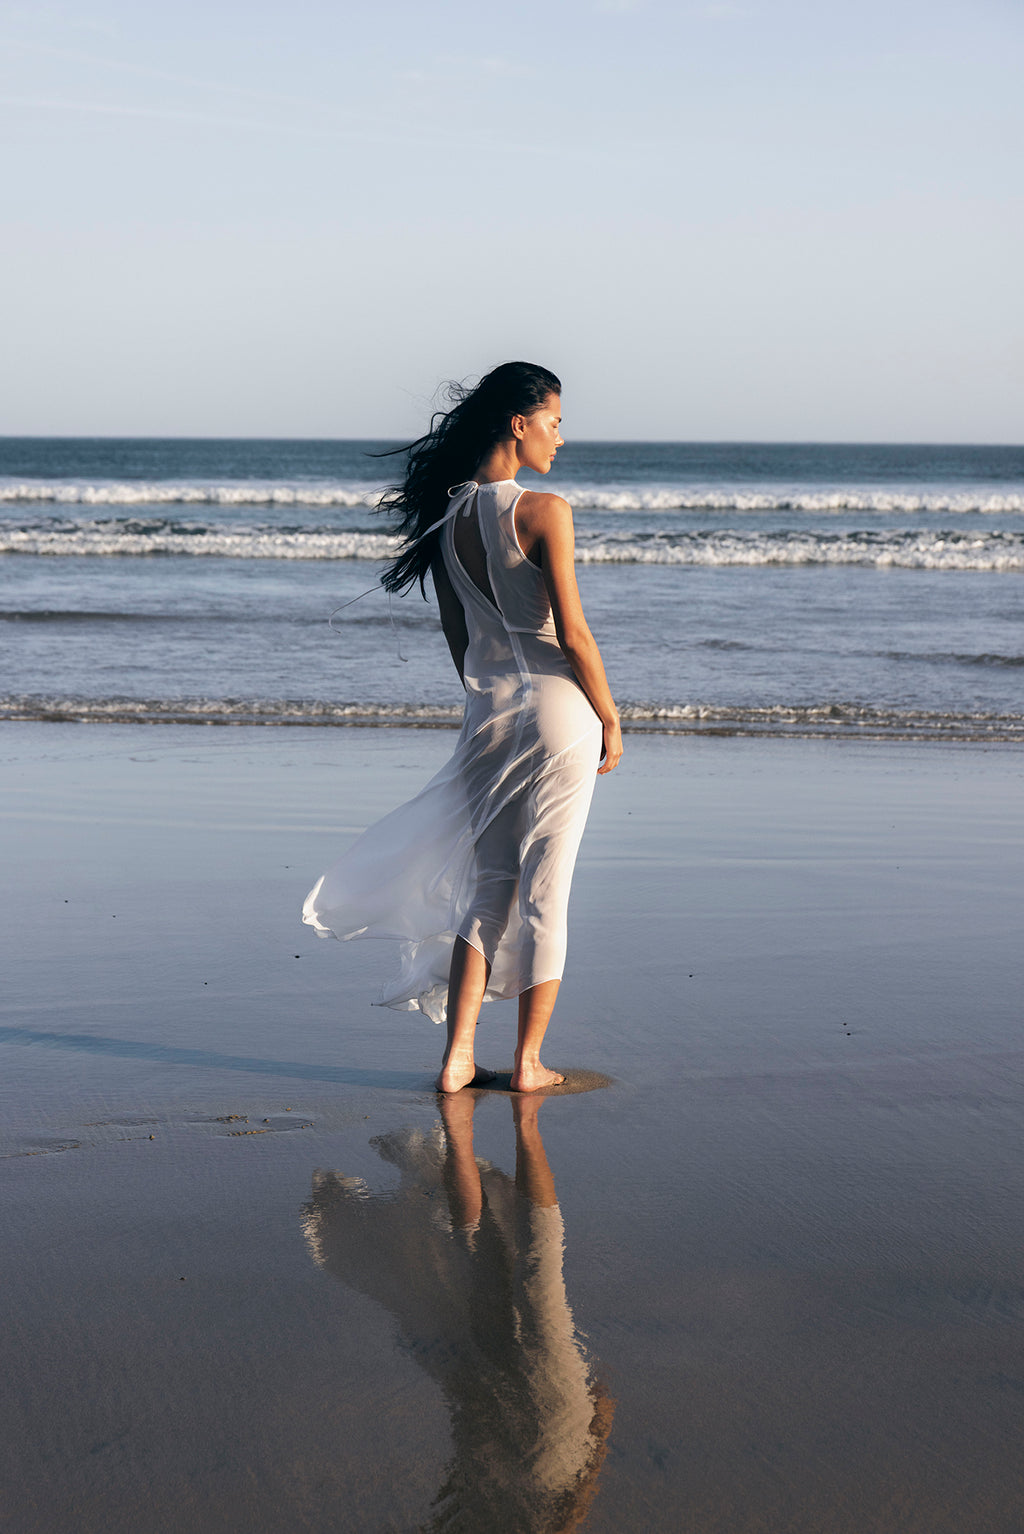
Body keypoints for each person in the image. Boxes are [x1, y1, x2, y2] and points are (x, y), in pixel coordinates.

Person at [303, 361, 622, 1093]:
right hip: (556, 713)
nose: (560, 438)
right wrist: (610, 716)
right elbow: (574, 635)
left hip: (489, 715)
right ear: (520, 423)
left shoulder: (444, 523)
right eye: (555, 422)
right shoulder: (545, 511)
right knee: (547, 892)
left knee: (490, 889)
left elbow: (461, 642)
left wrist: (490, 708)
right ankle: (530, 1062)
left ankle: (456, 1060)